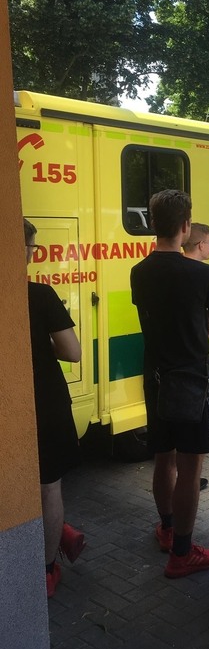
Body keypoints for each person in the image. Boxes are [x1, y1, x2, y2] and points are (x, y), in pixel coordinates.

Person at [131, 190, 209, 578]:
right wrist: (202, 320)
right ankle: (182, 553)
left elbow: (159, 315)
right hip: (192, 378)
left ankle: (167, 528)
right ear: (186, 226)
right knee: (190, 467)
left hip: (156, 375)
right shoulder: (202, 273)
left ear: (153, 224)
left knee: (163, 456)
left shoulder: (139, 271)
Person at [25, 218, 84, 598]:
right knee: (48, 486)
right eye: (32, 248)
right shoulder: (39, 295)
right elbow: (72, 352)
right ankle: (47, 570)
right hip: (44, 402)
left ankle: (54, 533)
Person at [181, 221, 209, 492]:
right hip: (197, 363)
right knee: (200, 431)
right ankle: (192, 480)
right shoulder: (205, 273)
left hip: (168, 367)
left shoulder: (167, 270)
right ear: (201, 244)